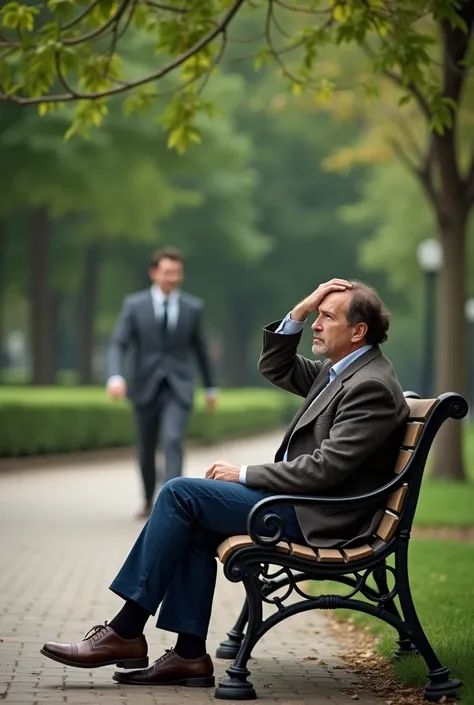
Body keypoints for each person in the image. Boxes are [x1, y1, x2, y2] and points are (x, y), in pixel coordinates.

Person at [41, 278, 409, 687]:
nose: (317, 325)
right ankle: (188, 655)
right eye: (317, 316)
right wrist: (299, 311)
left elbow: (327, 470)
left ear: (358, 331)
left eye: (327, 317)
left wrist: (245, 473)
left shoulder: (369, 385)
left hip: (319, 516)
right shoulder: (343, 371)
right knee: (193, 521)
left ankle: (126, 631)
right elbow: (277, 366)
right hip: (297, 502)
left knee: (180, 494)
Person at [107, 246, 217, 518]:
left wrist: (211, 387)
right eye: (167, 272)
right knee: (146, 448)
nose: (172, 277)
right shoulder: (134, 305)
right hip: (144, 386)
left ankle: (172, 504)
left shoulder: (193, 307)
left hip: (179, 387)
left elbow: (201, 350)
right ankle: (147, 499)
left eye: (177, 273)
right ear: (154, 273)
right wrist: (115, 376)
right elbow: (118, 343)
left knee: (172, 440)